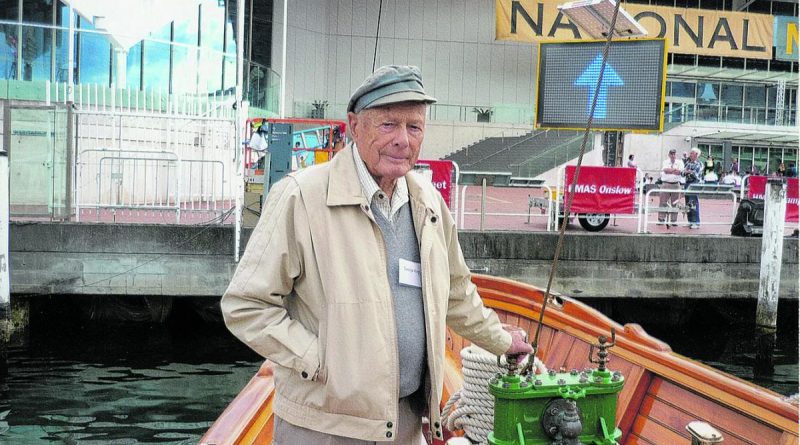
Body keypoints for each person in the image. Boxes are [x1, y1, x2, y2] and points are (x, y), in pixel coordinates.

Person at [221, 65, 532, 445]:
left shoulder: (428, 203)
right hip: (323, 427)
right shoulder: (301, 197)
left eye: (414, 127)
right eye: (388, 124)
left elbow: (455, 293)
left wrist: (501, 340)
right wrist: (318, 361)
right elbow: (245, 305)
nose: (403, 139)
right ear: (354, 126)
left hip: (405, 423)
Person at [658, 148, 684, 228]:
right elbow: (665, 170)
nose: (673, 155)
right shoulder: (665, 161)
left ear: (676, 155)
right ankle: (661, 219)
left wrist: (671, 171)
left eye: (674, 154)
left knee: (675, 203)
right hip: (666, 183)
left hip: (676, 184)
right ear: (669, 155)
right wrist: (674, 170)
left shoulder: (680, 162)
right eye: (671, 154)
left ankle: (674, 220)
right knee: (663, 202)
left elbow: (680, 172)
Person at [683, 147, 704, 229]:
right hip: (687, 183)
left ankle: (696, 222)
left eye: (692, 153)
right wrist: (687, 172)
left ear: (696, 154)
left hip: (694, 184)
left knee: (693, 202)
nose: (690, 154)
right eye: (690, 153)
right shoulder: (687, 163)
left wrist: (688, 172)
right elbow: (682, 173)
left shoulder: (699, 164)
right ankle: (690, 221)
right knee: (688, 203)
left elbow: (695, 174)